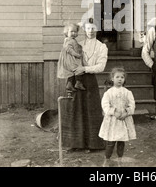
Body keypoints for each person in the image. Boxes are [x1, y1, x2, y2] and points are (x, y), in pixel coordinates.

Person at [60, 18, 108, 151]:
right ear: (85, 29)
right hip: (76, 79)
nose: (91, 31)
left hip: (89, 80)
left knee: (90, 111)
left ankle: (92, 144)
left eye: (93, 28)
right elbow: (67, 57)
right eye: (88, 28)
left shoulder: (101, 47)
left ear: (97, 29)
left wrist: (85, 69)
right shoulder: (77, 43)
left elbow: (101, 67)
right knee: (75, 109)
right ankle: (74, 144)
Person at [99, 67, 136, 167]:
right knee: (111, 141)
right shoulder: (108, 93)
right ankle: (107, 158)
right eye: (117, 77)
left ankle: (120, 158)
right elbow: (105, 105)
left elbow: (132, 105)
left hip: (123, 121)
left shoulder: (127, 92)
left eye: (122, 77)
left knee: (121, 141)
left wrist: (126, 112)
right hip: (112, 120)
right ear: (112, 78)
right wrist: (113, 112)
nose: (120, 79)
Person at [57, 23, 86, 99]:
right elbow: (69, 49)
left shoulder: (72, 40)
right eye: (71, 31)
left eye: (75, 32)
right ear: (67, 32)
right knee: (78, 68)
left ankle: (69, 85)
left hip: (71, 59)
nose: (73, 33)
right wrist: (76, 54)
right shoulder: (68, 40)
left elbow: (75, 47)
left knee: (71, 72)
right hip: (69, 59)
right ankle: (78, 83)